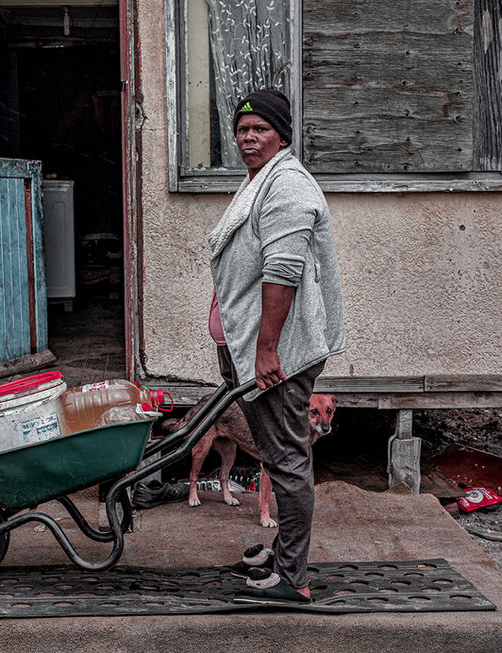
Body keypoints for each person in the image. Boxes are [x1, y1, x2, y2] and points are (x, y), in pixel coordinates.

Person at [207, 88, 345, 604]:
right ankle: (286, 551)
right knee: (275, 452)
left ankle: (292, 579)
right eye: (242, 129)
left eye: (260, 129)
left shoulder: (286, 185)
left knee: (286, 459)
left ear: (281, 135)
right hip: (256, 352)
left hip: (277, 357)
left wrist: (266, 350)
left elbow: (282, 270)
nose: (247, 137)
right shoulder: (259, 181)